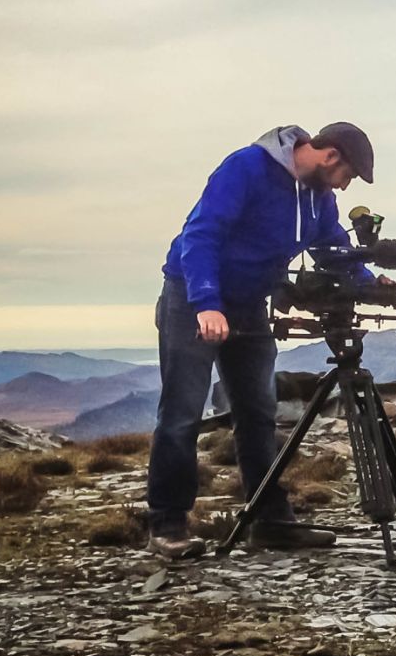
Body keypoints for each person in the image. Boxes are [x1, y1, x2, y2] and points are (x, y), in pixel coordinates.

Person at [145, 122, 377, 558]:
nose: (345, 188)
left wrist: (368, 281)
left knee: (257, 411)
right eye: (348, 176)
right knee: (182, 413)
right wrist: (207, 303)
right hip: (193, 299)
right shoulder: (246, 168)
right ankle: (167, 525)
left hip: (250, 303)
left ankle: (268, 520)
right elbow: (201, 234)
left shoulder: (318, 198)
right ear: (330, 156)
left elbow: (332, 247)